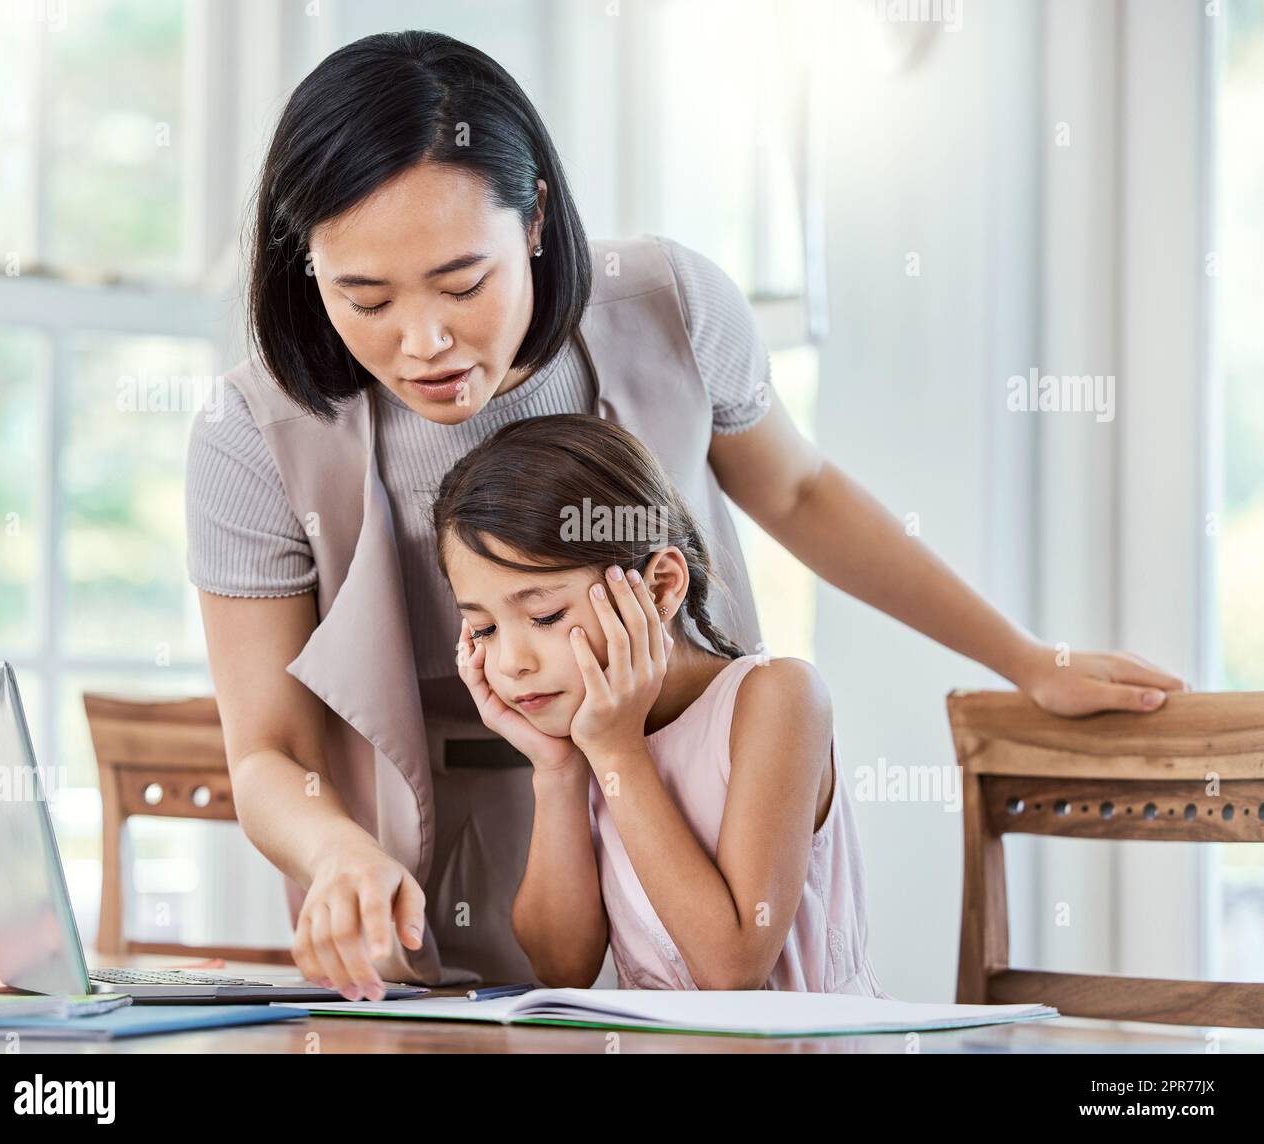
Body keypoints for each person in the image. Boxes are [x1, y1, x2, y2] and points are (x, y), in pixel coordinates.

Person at [186, 30, 1186, 1000]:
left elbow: (798, 492)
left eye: (463, 280)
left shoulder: (662, 303)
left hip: (689, 818)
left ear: (534, 219)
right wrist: (339, 853)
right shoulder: (255, 433)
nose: (424, 341)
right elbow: (267, 747)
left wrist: (1022, 657)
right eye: (364, 298)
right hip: (426, 854)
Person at [435, 414, 893, 994]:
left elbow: (731, 970)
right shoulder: (590, 735)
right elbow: (561, 968)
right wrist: (557, 770)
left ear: (658, 588)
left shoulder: (777, 698)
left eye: (545, 615)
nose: (510, 663)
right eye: (483, 629)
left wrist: (618, 752)